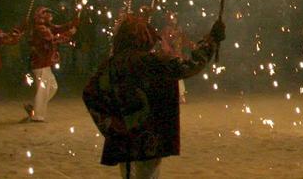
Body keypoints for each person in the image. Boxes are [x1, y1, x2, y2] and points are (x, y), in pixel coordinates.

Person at [83, 15, 224, 178]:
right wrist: (211, 42)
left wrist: (110, 124)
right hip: (149, 138)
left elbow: (90, 94)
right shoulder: (151, 62)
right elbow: (188, 66)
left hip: (126, 138)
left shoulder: (112, 64)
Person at [25, 6, 78, 122]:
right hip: (40, 63)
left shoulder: (47, 27)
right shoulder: (40, 29)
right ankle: (37, 116)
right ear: (41, 16)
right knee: (42, 90)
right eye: (47, 14)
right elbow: (53, 39)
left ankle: (34, 108)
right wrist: (69, 34)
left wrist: (73, 22)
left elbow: (59, 28)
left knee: (53, 87)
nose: (50, 16)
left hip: (45, 63)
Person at [156, 12, 193, 103]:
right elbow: (164, 43)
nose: (174, 20)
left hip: (177, 55)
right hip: (170, 56)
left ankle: (180, 95)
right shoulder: (166, 31)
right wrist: (169, 52)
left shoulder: (179, 30)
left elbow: (184, 41)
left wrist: (190, 45)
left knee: (178, 76)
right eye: (172, 18)